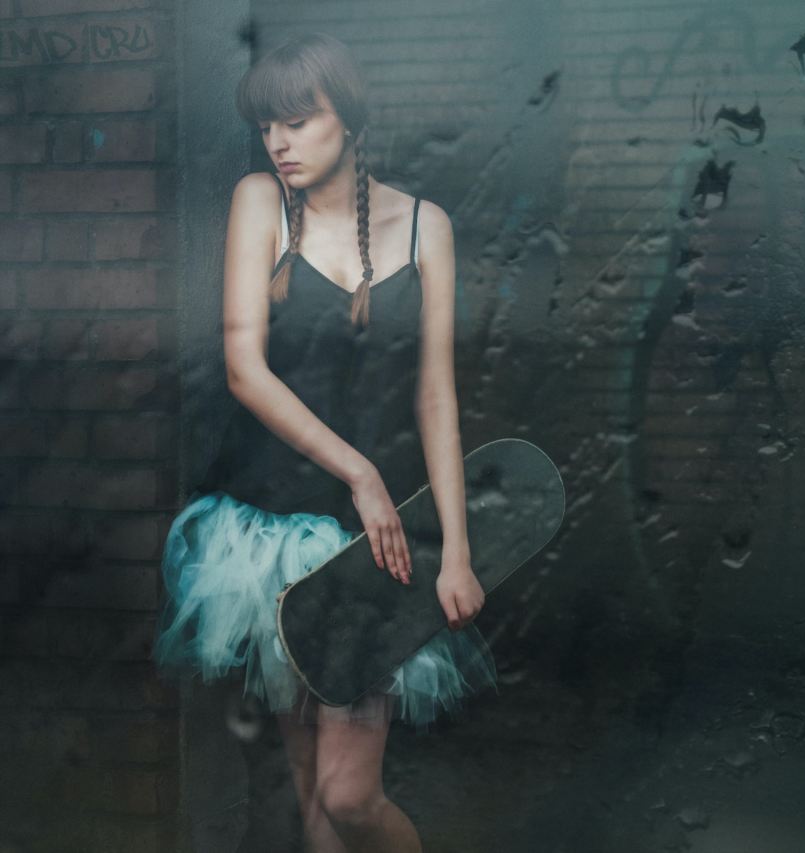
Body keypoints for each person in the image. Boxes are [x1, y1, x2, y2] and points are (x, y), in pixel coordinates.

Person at [152, 32, 497, 852]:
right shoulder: (259, 203)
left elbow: (436, 396)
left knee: (349, 795)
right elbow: (244, 367)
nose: (278, 142)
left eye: (298, 122)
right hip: (271, 534)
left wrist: (456, 546)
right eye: (267, 125)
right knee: (312, 794)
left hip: (375, 548)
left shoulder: (427, 229)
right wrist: (359, 470)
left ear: (350, 119)